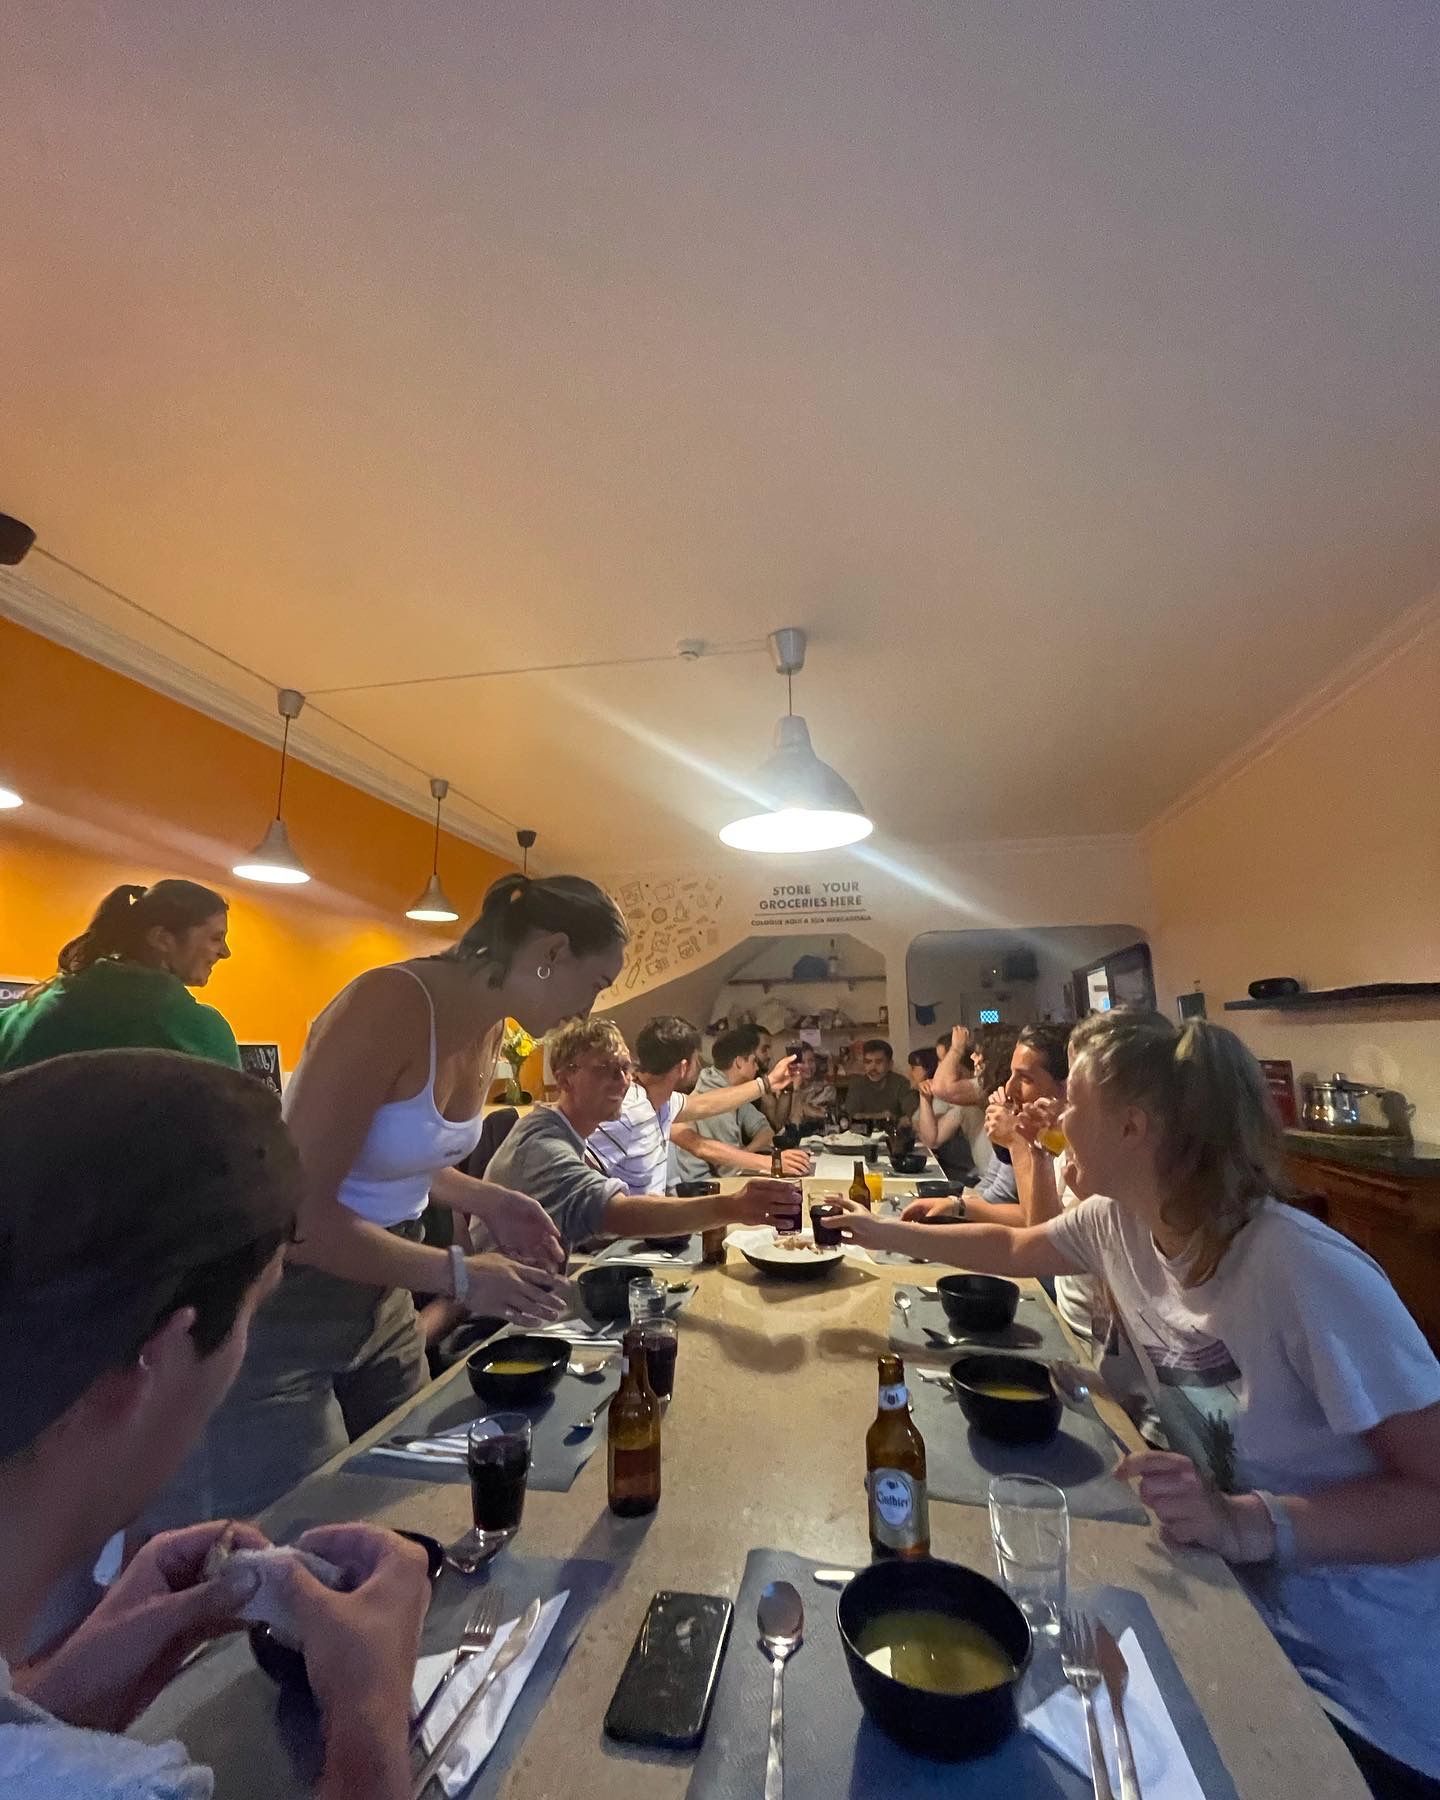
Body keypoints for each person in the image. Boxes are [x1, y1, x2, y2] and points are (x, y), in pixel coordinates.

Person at [836, 1012, 1440, 1799]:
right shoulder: (1120, 1218)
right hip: (1226, 1609)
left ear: (1133, 1124)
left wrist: (1245, 1522)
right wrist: (875, 1230)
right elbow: (1020, 1249)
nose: (1053, 1118)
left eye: (1072, 1100)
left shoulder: (1301, 1268)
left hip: (1361, 1698)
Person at [0, 1050, 432, 1800]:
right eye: (253, 1314)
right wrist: (370, 1714)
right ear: (161, 1353)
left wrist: (62, 1688)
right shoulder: (125, 1789)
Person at [156, 872, 627, 1527]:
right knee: (305, 1537)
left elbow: (397, 1156)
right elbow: (300, 1218)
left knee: (415, 1501)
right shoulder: (390, 1005)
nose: (591, 1007)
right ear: (552, 953)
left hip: (381, 1297)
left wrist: (490, 1199)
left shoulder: (490, 1024)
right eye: (598, 983)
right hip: (285, 1308)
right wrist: (459, 1274)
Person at [486, 1017, 801, 1249]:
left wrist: (766, 1084)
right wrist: (735, 1206)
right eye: (604, 1069)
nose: (622, 1081)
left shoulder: (635, 1103)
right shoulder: (544, 1143)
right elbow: (616, 1214)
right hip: (492, 1311)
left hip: (563, 1271)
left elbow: (703, 1105)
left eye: (625, 1068)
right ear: (565, 1079)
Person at [0, 881, 240, 1072]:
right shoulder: (201, 1033)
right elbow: (232, 1127)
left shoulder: (25, 1015)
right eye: (215, 938)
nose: (225, 952)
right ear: (161, 939)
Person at [585, 1014, 809, 1195]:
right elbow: (580, 1170)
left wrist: (768, 1083)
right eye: (696, 1059)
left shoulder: (659, 1101)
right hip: (621, 1239)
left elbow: (705, 1105)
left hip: (649, 1224)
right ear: (684, 1067)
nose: (700, 1065)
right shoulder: (631, 1109)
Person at [670, 1024, 814, 1183]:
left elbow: (766, 1129)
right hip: (706, 1188)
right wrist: (774, 1162)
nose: (758, 1066)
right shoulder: (709, 1095)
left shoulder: (731, 1092)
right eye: (754, 1061)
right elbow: (725, 1167)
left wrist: (743, 1153)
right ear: (739, 1062)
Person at [907, 1046, 976, 1183]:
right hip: (958, 1175)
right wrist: (924, 1097)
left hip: (968, 1178)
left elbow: (931, 1140)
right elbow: (929, 1138)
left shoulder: (972, 1098)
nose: (938, 1068)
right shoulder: (955, 1102)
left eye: (943, 1061)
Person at [841, 1039, 917, 1124]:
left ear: (890, 1064)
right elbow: (851, 1117)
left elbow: (912, 1114)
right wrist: (882, 1116)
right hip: (862, 1135)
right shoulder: (856, 1084)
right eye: (868, 1062)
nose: (872, 1067)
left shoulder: (901, 1083)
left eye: (878, 1062)